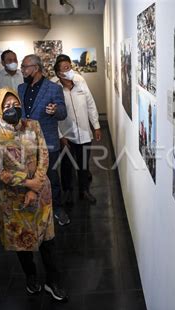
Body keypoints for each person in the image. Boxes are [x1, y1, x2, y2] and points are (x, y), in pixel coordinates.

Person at [0, 87, 67, 302]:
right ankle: (31, 277)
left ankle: (52, 281)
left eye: (15, 104)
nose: (13, 109)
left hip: (40, 192)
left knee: (48, 241)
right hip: (12, 198)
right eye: (7, 106)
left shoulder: (33, 125)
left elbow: (43, 154)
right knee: (22, 242)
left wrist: (35, 185)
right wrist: (27, 184)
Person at [17, 54, 69, 226]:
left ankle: (58, 209)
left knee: (51, 177)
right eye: (22, 66)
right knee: (30, 176)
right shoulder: (21, 88)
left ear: (36, 68)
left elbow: (63, 113)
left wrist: (55, 110)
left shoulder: (54, 88)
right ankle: (36, 206)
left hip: (48, 140)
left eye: (25, 66)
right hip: (26, 143)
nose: (22, 69)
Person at [53, 54, 101, 207]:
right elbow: (53, 116)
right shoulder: (54, 87)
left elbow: (90, 103)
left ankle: (84, 191)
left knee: (83, 163)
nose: (69, 70)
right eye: (65, 68)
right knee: (67, 164)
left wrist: (96, 126)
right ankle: (67, 191)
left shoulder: (80, 80)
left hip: (84, 132)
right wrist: (60, 136)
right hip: (66, 135)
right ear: (59, 73)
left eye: (70, 67)